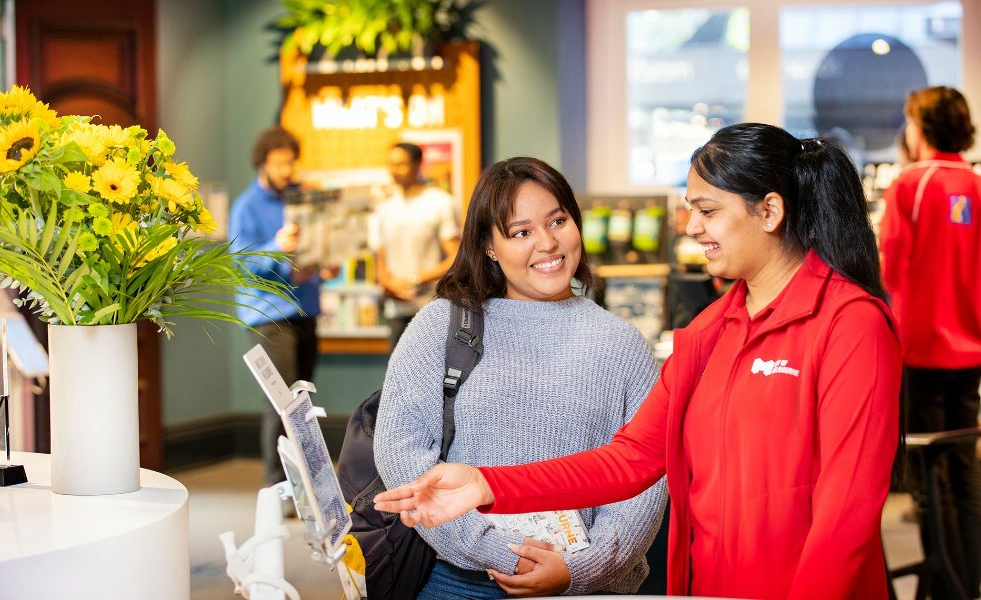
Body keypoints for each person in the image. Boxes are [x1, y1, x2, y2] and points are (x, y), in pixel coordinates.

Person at [376, 123, 904, 600]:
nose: (692, 226)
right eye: (690, 209)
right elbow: (629, 461)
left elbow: (846, 518)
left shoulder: (850, 324)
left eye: (708, 210)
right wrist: (488, 485)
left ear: (769, 210)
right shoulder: (708, 332)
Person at [373, 156, 668, 598]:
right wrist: (497, 552)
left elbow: (647, 479)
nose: (547, 244)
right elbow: (401, 448)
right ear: (489, 246)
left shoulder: (622, 344)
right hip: (460, 579)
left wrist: (579, 569)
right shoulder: (442, 326)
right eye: (521, 232)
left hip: (583, 582)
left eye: (558, 221)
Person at [879, 86, 981, 599]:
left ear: (923, 127)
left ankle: (948, 586)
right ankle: (969, 582)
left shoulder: (910, 184)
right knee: (965, 466)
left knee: (927, 474)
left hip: (920, 354)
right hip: (972, 355)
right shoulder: (976, 184)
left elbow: (890, 269)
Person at [229, 125, 321, 485]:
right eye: (280, 163)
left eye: (291, 163)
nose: (288, 170)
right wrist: (277, 247)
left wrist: (318, 261)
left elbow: (310, 249)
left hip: (305, 310)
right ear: (262, 163)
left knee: (302, 403)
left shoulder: (299, 198)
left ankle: (307, 487)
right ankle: (277, 485)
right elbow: (241, 265)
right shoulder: (246, 207)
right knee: (282, 403)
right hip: (268, 316)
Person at [375, 142, 461, 349]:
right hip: (396, 310)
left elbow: (456, 257)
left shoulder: (441, 203)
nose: (395, 170)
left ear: (417, 165)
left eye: (401, 164)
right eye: (391, 164)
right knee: (397, 375)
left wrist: (416, 279)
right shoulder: (385, 209)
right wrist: (390, 285)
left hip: (432, 307)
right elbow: (381, 261)